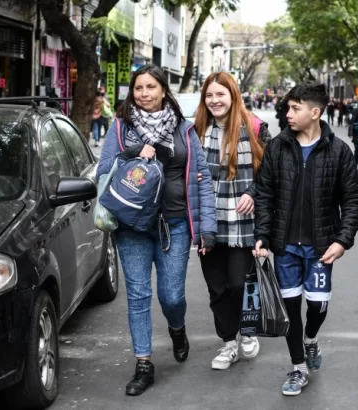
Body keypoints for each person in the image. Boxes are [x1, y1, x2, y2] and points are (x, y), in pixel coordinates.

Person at [96, 65, 217, 396]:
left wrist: (207, 226)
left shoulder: (184, 129)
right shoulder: (121, 127)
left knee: (172, 295)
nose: (144, 93)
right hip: (131, 226)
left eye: (150, 87)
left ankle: (177, 328)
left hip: (174, 224)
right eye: (138, 88)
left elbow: (201, 179)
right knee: (138, 295)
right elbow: (104, 171)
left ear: (164, 90)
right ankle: (144, 364)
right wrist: (133, 153)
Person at [253, 82, 358, 396]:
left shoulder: (339, 150)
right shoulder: (277, 147)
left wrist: (342, 240)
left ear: (315, 113)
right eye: (288, 107)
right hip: (284, 245)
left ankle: (311, 338)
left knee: (317, 306)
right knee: (289, 309)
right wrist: (262, 234)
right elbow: (264, 194)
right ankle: (298, 366)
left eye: (295, 108)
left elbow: (353, 199)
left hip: (321, 247)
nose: (288, 113)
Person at [193, 72, 270, 371]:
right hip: (209, 222)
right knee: (218, 289)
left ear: (233, 95)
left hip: (243, 222)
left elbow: (270, 173)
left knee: (239, 284)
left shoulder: (255, 128)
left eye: (220, 95)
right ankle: (228, 342)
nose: (215, 101)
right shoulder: (196, 130)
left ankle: (247, 329)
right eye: (209, 96)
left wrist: (253, 191)